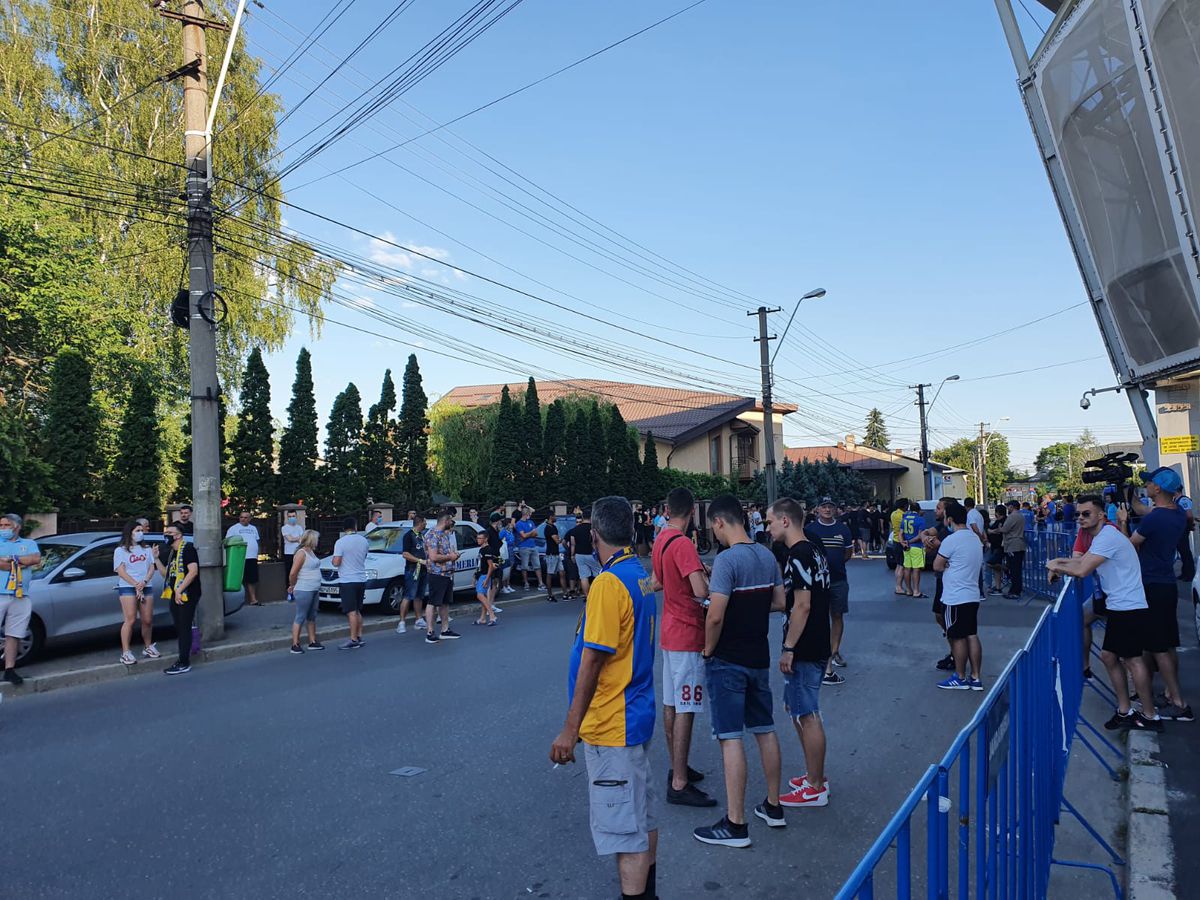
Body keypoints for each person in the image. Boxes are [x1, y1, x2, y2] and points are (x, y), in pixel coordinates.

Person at [549, 496, 658, 900]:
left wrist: (569, 729)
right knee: (642, 817)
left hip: (614, 722)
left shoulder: (608, 584)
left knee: (624, 831)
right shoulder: (639, 573)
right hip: (637, 711)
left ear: (594, 534)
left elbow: (593, 658)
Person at [693, 494, 785, 848]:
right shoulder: (766, 554)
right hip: (758, 655)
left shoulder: (728, 560)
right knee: (765, 729)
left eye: (713, 528)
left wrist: (708, 648)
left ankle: (736, 823)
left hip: (728, 659)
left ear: (719, 522)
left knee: (730, 736)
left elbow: (714, 615)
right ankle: (774, 807)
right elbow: (779, 602)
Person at [1047, 497, 1161, 731]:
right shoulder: (1103, 537)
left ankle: (1150, 716)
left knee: (1132, 660)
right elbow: (1082, 560)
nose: (1080, 518)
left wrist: (1055, 567)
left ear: (1101, 516)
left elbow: (1082, 569)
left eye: (1086, 514)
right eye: (1078, 514)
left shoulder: (1108, 536)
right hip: (1121, 605)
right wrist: (1057, 562)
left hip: (1128, 606)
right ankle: (1125, 710)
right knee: (1109, 657)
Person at [651, 487, 716, 809]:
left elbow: (657, 581)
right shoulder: (684, 544)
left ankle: (678, 766)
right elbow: (700, 590)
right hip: (688, 633)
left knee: (671, 704)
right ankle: (679, 783)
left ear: (666, 509)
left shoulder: (661, 539)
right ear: (692, 512)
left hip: (669, 631)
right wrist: (708, 578)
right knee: (687, 707)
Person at [766, 498, 832, 809]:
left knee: (807, 714)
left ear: (785, 521)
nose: (767, 527)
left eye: (770, 522)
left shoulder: (800, 553)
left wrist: (789, 648)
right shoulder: (813, 549)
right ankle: (813, 775)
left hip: (806, 644)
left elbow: (802, 605)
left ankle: (816, 786)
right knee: (799, 711)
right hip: (816, 640)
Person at [1122, 468, 1192, 721]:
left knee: (1158, 647)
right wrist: (1130, 498)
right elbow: (1143, 510)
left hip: (1151, 584)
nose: (1147, 486)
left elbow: (1129, 544)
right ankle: (1171, 695)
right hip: (1165, 584)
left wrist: (1121, 522)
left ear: (1158, 489)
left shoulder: (1155, 519)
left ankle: (1180, 704)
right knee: (1167, 644)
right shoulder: (1177, 513)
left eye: (1149, 483)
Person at [933, 504, 985, 691]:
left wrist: (948, 565)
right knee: (971, 634)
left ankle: (960, 676)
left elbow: (937, 566)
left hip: (955, 596)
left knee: (956, 637)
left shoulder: (951, 540)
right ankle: (976, 676)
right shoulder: (975, 539)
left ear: (950, 519)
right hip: (972, 594)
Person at [805, 497, 853, 685]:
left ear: (835, 510)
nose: (827, 509)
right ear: (817, 509)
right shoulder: (810, 530)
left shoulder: (843, 529)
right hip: (817, 583)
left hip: (838, 580)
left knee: (837, 616)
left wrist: (837, 564)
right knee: (819, 618)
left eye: (830, 506)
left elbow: (848, 553)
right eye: (824, 506)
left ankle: (833, 653)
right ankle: (822, 655)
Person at [0, 513, 40, 685]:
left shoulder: (29, 543)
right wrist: (22, 563)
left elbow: (36, 559)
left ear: (17, 526)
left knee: (14, 634)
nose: (3, 529)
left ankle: (9, 669)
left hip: (20, 595)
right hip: (1, 593)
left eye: (6, 525)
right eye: (1, 526)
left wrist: (12, 560)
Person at [155, 523, 200, 675]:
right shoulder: (172, 552)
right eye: (166, 532)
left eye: (170, 532)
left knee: (184, 626)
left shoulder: (188, 549)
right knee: (180, 626)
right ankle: (182, 658)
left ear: (179, 535)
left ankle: (184, 661)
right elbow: (166, 574)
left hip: (187, 593)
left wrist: (180, 589)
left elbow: (193, 571)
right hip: (175, 593)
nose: (166, 535)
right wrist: (156, 559)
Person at [113, 518, 159, 665]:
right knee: (130, 619)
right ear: (130, 532)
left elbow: (152, 567)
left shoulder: (146, 549)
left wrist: (144, 582)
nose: (140, 533)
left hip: (146, 585)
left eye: (141, 530)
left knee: (147, 619)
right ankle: (126, 652)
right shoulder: (120, 550)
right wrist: (135, 584)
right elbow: (120, 570)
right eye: (137, 530)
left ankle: (148, 646)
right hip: (128, 587)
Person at [424, 510, 462, 644]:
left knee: (444, 602)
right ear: (445, 521)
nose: (451, 523)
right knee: (433, 602)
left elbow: (446, 551)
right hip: (437, 573)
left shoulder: (443, 535)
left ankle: (445, 630)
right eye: (450, 520)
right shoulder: (433, 535)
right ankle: (430, 632)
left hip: (447, 573)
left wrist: (453, 555)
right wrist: (450, 557)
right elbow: (433, 557)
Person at [332, 517, 368, 650]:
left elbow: (336, 562)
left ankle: (353, 639)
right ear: (355, 526)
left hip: (347, 580)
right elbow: (363, 557)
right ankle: (359, 636)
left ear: (344, 528)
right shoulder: (364, 540)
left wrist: (334, 561)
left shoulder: (340, 542)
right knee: (358, 610)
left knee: (351, 611)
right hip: (361, 578)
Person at [286, 529, 324, 653]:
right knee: (300, 616)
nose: (318, 541)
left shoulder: (311, 552)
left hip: (314, 588)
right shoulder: (301, 553)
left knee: (312, 616)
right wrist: (292, 585)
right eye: (316, 539)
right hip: (304, 588)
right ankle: (295, 644)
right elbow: (293, 573)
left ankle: (312, 641)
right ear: (311, 539)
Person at [397, 512, 429, 634]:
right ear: (420, 523)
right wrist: (419, 561)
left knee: (419, 595)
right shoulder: (408, 536)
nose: (426, 524)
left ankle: (419, 619)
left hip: (424, 569)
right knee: (409, 595)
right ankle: (402, 622)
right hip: (413, 570)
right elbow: (405, 554)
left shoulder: (422, 536)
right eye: (424, 522)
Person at [225, 511, 261, 606]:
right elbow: (228, 541)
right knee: (238, 579)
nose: (243, 519)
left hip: (252, 557)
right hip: (238, 557)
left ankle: (253, 599)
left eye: (245, 517)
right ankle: (236, 602)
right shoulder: (233, 528)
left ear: (250, 519)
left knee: (252, 579)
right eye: (241, 517)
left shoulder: (253, 528)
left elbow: (256, 541)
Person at [568, 507, 601, 597]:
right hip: (591, 554)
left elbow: (572, 544)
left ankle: (587, 596)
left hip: (579, 555)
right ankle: (597, 594)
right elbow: (595, 542)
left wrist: (572, 555)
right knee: (598, 574)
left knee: (583, 576)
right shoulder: (593, 529)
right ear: (591, 517)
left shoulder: (575, 530)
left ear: (582, 517)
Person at [473, 530, 500, 626]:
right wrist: (475, 576)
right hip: (481, 575)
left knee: (480, 595)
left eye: (480, 538)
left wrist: (487, 579)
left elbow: (490, 566)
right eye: (477, 538)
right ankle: (483, 618)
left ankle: (492, 615)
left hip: (485, 575)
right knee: (483, 596)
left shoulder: (488, 550)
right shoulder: (481, 549)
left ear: (486, 539)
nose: (478, 540)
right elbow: (480, 564)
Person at [900, 502, 926, 598]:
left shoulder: (905, 518)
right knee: (916, 569)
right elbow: (920, 535)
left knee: (907, 568)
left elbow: (900, 533)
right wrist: (910, 541)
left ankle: (908, 590)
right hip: (916, 546)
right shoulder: (920, 520)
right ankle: (916, 591)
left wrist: (903, 542)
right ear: (919, 509)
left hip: (906, 547)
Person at [1000, 500, 1026, 598]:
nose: (1008, 508)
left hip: (1012, 544)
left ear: (1012, 507)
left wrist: (997, 529)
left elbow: (1005, 529)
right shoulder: (1021, 516)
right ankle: (1016, 589)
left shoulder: (1012, 517)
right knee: (1016, 569)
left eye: (1008, 506)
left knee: (1014, 569)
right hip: (1019, 543)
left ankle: (1015, 591)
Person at [514, 508, 543, 591]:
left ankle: (541, 583)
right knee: (525, 566)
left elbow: (536, 533)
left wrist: (528, 535)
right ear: (526, 514)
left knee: (537, 565)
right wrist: (530, 533)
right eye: (529, 514)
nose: (530, 516)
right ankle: (526, 583)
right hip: (523, 547)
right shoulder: (519, 524)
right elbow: (523, 536)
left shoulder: (531, 522)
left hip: (533, 546)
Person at [280, 511, 304, 593]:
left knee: (299, 571)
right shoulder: (285, 528)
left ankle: (298, 589)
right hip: (289, 553)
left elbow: (302, 540)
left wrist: (295, 539)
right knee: (290, 572)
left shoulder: (299, 528)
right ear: (287, 518)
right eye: (289, 516)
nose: (291, 518)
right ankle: (290, 590)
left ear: (296, 517)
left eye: (293, 516)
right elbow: (289, 539)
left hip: (299, 552)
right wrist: (298, 538)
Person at [987, 505, 1008, 594]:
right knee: (996, 568)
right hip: (995, 546)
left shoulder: (1004, 521)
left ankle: (1007, 569)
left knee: (992, 563)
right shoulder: (998, 521)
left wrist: (991, 531)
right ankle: (998, 587)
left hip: (999, 547)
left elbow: (999, 530)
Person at [1175, 489, 1195, 583]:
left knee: (1185, 552)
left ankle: (1190, 574)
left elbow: (1189, 515)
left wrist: (1190, 525)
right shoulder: (1176, 499)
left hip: (1183, 528)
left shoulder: (1183, 500)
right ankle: (1185, 572)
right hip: (1179, 529)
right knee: (1182, 552)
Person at [543, 511, 563, 602]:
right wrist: (561, 539)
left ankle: (565, 592)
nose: (556, 517)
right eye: (554, 516)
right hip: (551, 554)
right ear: (551, 517)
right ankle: (550, 594)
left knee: (562, 572)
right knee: (550, 574)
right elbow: (557, 540)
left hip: (556, 553)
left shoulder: (553, 527)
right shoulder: (549, 528)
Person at [890, 499, 908, 595]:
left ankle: (897, 585)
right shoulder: (903, 516)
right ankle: (899, 587)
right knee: (902, 566)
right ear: (904, 506)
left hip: (895, 540)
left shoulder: (893, 514)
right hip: (901, 541)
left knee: (898, 565)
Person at [498, 516, 517, 594]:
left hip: (511, 550)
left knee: (510, 568)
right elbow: (499, 540)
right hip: (506, 551)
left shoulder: (510, 531)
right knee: (505, 568)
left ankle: (508, 585)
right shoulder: (503, 531)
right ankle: (503, 586)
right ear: (508, 524)